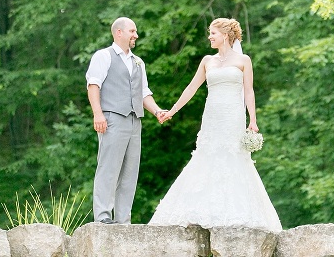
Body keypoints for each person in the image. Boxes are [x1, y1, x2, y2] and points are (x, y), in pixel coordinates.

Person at [149, 17, 281, 231]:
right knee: (206, 154)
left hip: (233, 117)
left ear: (226, 35)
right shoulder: (207, 61)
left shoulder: (243, 60)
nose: (209, 37)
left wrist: (253, 120)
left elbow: (248, 91)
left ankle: (237, 211)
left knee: (233, 156)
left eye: (213, 33)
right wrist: (172, 111)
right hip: (212, 116)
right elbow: (191, 88)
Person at [86, 17, 168, 224]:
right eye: (132, 31)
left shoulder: (138, 62)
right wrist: (98, 113)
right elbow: (93, 85)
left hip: (134, 121)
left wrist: (157, 111)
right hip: (112, 118)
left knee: (130, 173)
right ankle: (103, 217)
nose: (136, 35)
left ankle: (123, 221)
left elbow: (143, 93)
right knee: (108, 168)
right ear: (118, 33)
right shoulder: (103, 56)